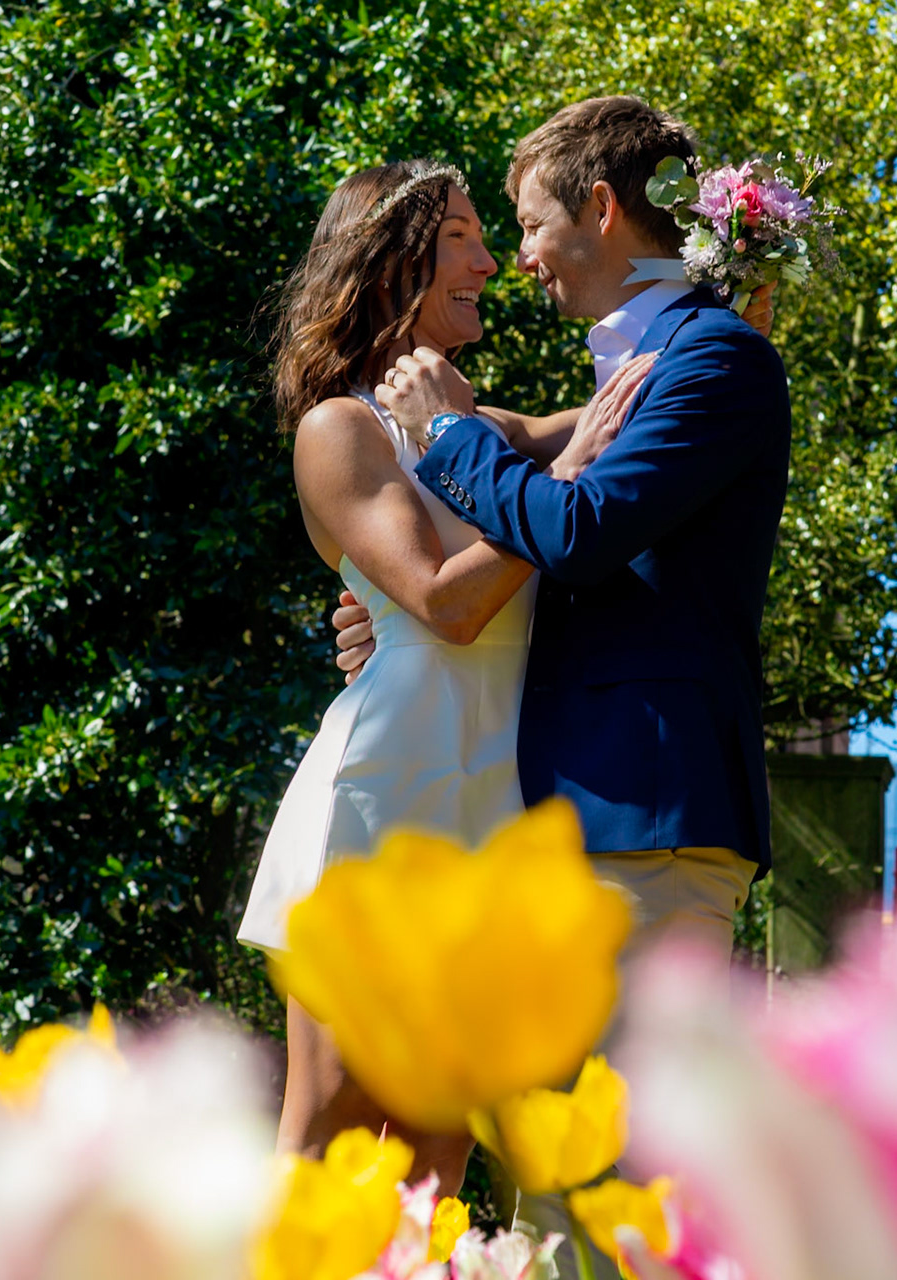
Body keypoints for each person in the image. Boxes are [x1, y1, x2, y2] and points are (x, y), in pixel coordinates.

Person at [236, 159, 652, 1195]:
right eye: (463, 236)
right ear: (391, 263)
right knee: (332, 1122)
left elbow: (626, 409)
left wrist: (732, 296)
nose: (489, 262)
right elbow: (443, 602)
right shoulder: (340, 430)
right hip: (385, 792)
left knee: (439, 1145)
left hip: (493, 793)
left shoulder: (477, 427)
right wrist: (559, 484)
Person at [347, 96, 793, 977]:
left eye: (529, 224)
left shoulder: (716, 357)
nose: (518, 257)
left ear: (599, 207)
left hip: (645, 821)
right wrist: (389, 614)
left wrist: (448, 434)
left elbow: (582, 532)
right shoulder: (650, 364)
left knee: (624, 1116)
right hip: (570, 819)